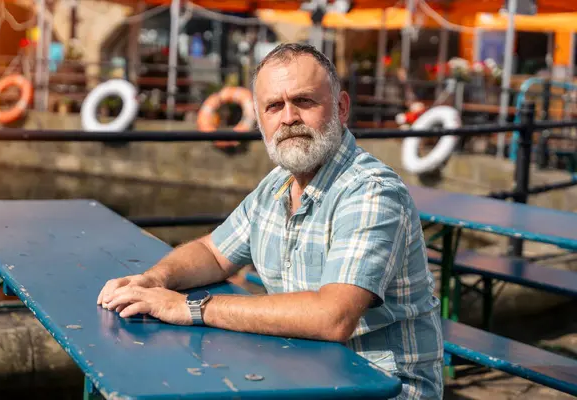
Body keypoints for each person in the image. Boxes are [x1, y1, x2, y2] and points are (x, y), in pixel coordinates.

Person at [97, 43, 443, 399]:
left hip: (383, 389)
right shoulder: (278, 183)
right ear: (261, 119)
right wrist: (154, 280)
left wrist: (188, 308)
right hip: (306, 373)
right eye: (274, 106)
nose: (289, 117)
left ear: (340, 108)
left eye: (304, 101)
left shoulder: (370, 191)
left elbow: (331, 317)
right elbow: (214, 253)